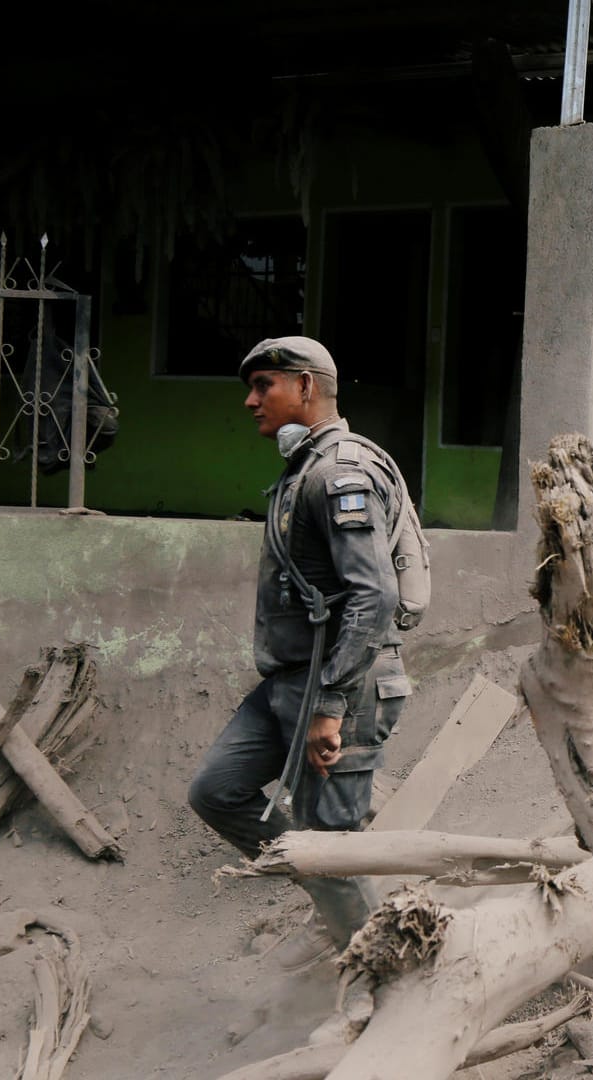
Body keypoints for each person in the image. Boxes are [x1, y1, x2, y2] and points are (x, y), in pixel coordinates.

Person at [189, 336, 416, 969]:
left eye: (265, 385)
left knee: (331, 850)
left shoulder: (341, 472)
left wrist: (332, 704)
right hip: (289, 682)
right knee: (218, 791)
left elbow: (373, 596)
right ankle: (349, 908)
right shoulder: (303, 468)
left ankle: (388, 971)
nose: (250, 400)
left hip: (341, 685)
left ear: (308, 387)